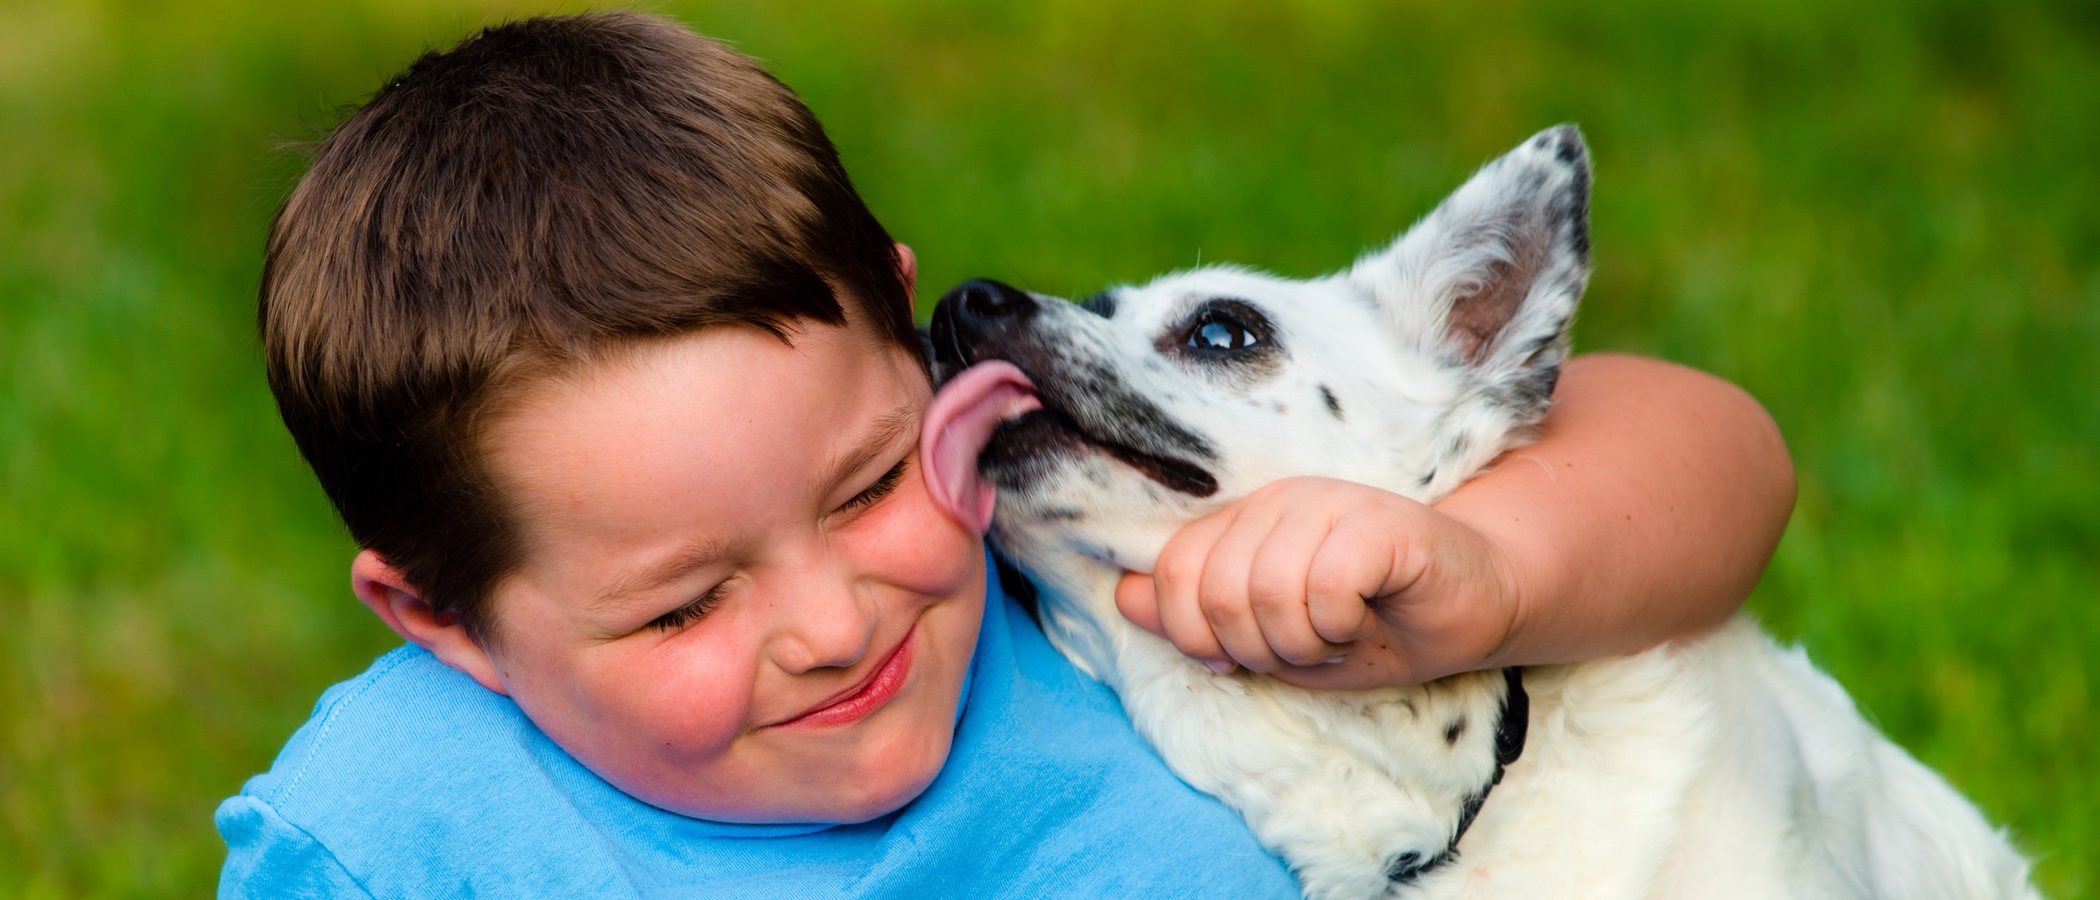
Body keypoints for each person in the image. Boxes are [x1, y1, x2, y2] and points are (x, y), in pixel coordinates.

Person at [217, 12, 1794, 897]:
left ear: (912, 347)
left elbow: (1714, 454)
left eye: (863, 486)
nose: (839, 621)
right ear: (442, 620)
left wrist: (1499, 573)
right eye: (683, 606)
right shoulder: (388, 838)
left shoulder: (1055, 581)